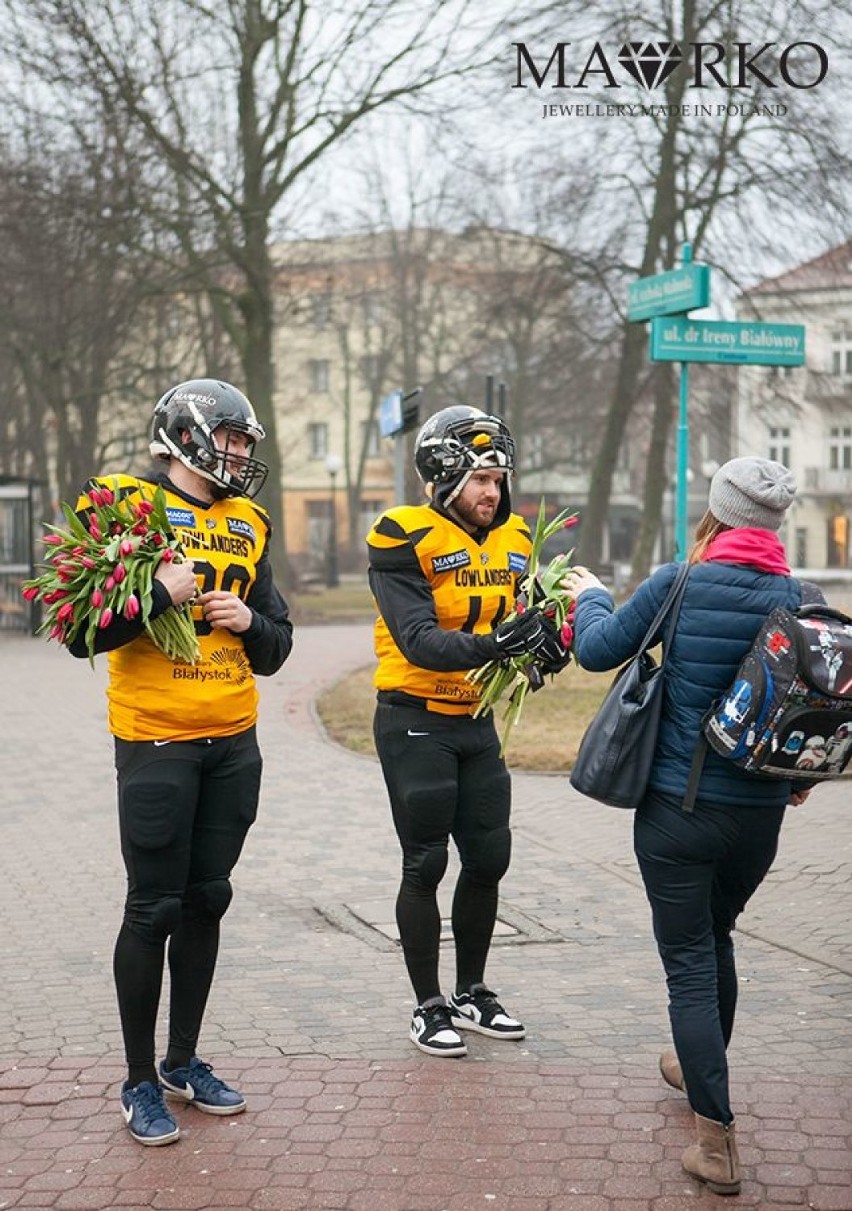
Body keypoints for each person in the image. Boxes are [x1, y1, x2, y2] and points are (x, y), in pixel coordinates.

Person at [564, 456, 819, 1196]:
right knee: (717, 937)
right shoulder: (802, 595)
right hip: (761, 819)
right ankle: (695, 1062)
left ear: (718, 511)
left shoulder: (679, 581)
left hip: (678, 810)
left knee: (688, 964)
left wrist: (591, 596)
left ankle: (718, 1142)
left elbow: (596, 648)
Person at [69, 378, 293, 1146]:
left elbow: (279, 645)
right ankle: (137, 1080)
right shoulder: (123, 502)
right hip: (156, 737)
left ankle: (182, 1058)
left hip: (233, 740)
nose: (240, 454)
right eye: (232, 438)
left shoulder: (250, 520)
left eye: (245, 443)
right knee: (152, 907)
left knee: (209, 897)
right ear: (191, 436)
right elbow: (76, 629)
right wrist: (159, 595)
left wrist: (250, 619)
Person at [366, 405, 570, 1057]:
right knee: (425, 860)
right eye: (482, 476)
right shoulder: (403, 533)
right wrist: (495, 642)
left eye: (499, 476)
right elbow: (420, 640)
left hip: (475, 721)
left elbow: (520, 628)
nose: (494, 491)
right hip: (415, 718)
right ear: (444, 474)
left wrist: (543, 648)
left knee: (489, 857)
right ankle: (427, 1005)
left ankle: (473, 989)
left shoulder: (513, 540)